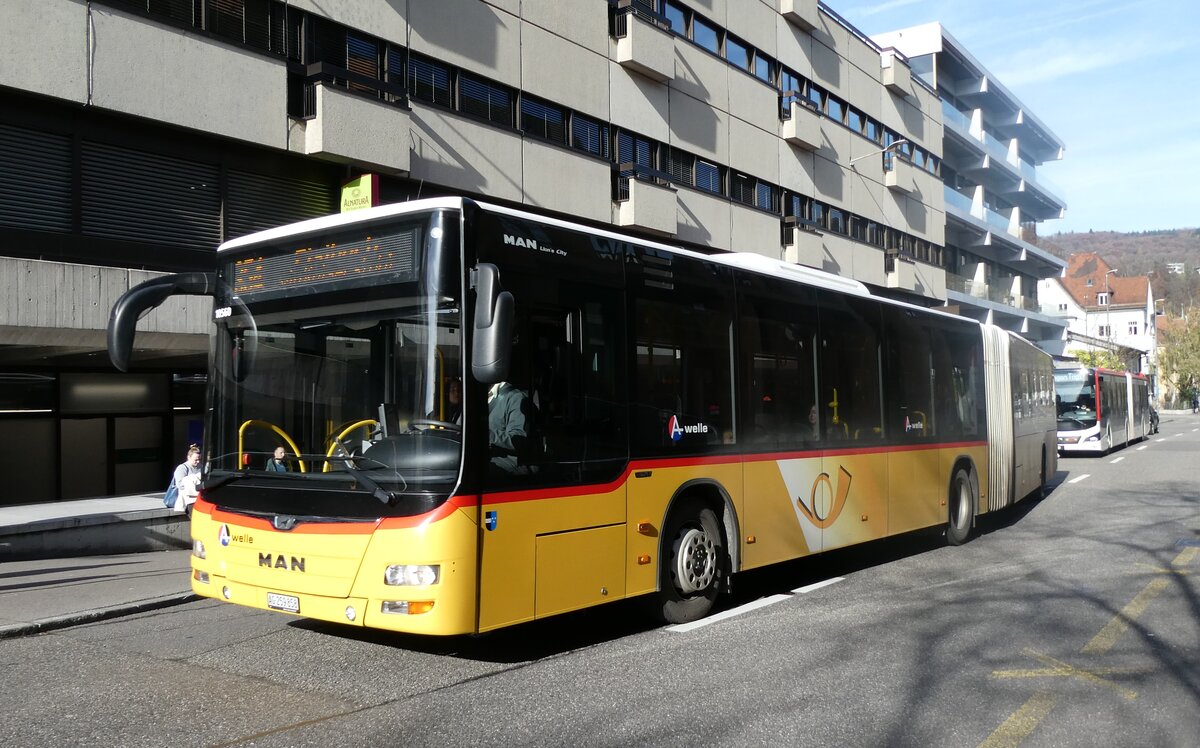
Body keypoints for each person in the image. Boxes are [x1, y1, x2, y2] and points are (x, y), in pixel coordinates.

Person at [487, 380, 531, 475]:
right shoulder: (476, 398)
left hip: (509, 462)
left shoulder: (515, 397)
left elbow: (518, 439)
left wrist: (485, 434)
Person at [172, 444, 202, 515]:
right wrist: (193, 481)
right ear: (189, 457)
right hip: (189, 499)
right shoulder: (182, 468)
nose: (198, 461)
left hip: (200, 497)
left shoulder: (201, 467)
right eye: (196, 460)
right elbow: (180, 485)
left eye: (199, 459)